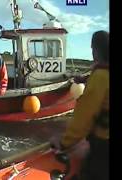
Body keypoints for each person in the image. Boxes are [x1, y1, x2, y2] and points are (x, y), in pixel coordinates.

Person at [51, 30, 109, 180]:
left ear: (96, 50)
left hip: (104, 147)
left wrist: (63, 143)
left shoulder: (100, 77)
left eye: (92, 49)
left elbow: (84, 118)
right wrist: (86, 80)